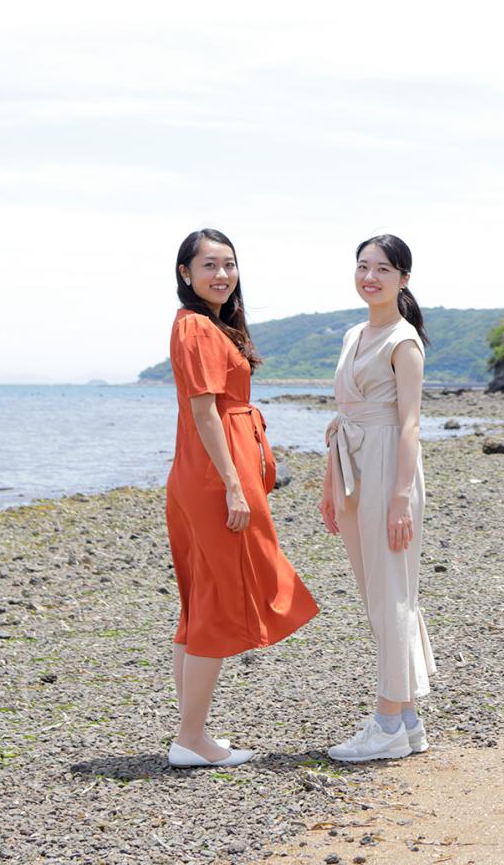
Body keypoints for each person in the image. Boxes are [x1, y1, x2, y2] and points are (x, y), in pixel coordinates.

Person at [163, 228, 318, 767]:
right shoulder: (197, 327)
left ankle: (191, 732)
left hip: (204, 470)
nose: (222, 274)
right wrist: (233, 483)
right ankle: (190, 739)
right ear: (185, 273)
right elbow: (205, 411)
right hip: (214, 474)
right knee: (216, 600)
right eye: (209, 265)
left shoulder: (206, 325)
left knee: (200, 600)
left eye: (228, 264)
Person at [320, 234, 437, 762]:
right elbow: (344, 415)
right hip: (353, 467)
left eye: (383, 269)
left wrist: (400, 498)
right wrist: (330, 485)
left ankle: (387, 722)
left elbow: (410, 424)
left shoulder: (403, 341)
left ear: (403, 279)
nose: (370, 277)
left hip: (389, 466)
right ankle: (406, 720)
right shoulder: (353, 334)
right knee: (378, 595)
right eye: (363, 266)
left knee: (392, 594)